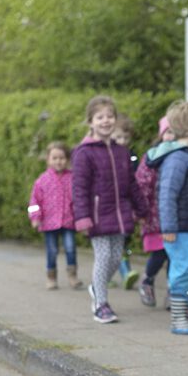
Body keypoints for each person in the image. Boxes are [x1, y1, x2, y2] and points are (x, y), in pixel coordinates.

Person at [72, 95, 147, 324]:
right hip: (97, 214)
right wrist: (82, 217)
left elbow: (131, 183)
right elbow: (79, 187)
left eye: (110, 116)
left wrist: (141, 209)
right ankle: (101, 304)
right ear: (90, 122)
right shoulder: (84, 153)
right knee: (103, 257)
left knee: (115, 258)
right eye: (100, 117)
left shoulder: (121, 151)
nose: (105, 121)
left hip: (120, 213)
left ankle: (97, 287)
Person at [145, 101, 188, 335]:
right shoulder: (177, 160)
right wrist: (168, 227)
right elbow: (167, 195)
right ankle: (178, 319)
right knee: (183, 270)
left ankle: (185, 306)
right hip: (179, 229)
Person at [28, 141, 83, 290]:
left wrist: (81, 218)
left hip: (68, 221)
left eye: (62, 158)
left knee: (70, 248)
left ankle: (72, 275)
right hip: (49, 223)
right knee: (52, 251)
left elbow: (79, 199)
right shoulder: (42, 180)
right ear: (48, 159)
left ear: (68, 160)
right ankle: (51, 277)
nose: (58, 161)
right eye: (55, 158)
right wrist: (35, 217)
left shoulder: (73, 178)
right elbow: (34, 201)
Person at [135, 116, 174, 307]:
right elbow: (142, 185)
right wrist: (141, 211)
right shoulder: (152, 157)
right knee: (160, 252)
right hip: (155, 215)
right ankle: (147, 279)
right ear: (161, 135)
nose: (172, 136)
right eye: (169, 132)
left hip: (176, 216)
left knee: (174, 255)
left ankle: (173, 291)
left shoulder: (184, 155)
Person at [110, 114, 140, 290]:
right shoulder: (106, 156)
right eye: (118, 137)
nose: (122, 141)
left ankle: (122, 271)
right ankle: (123, 272)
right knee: (112, 241)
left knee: (124, 239)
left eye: (126, 138)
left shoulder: (132, 156)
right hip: (109, 206)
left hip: (126, 205)